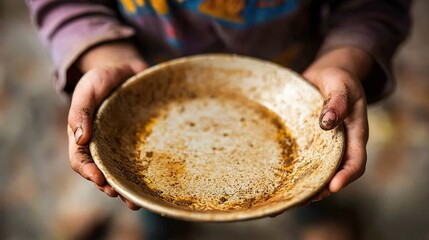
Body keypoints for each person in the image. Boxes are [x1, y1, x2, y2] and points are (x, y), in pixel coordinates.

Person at [27, 0, 411, 210]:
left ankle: (314, 212)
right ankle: (159, 224)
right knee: (138, 188)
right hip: (143, 87)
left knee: (319, 171)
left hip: (297, 91)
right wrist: (102, 51)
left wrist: (344, 58)